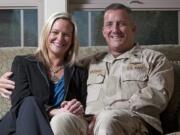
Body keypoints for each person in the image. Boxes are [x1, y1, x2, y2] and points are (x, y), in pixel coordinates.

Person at [0, 3, 174, 135]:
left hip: (131, 120)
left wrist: (99, 111)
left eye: (121, 24)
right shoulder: (89, 63)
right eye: (109, 24)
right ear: (104, 31)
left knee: (106, 118)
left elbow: (157, 97)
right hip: (76, 122)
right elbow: (22, 100)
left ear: (133, 28)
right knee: (61, 119)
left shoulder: (154, 59)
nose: (115, 29)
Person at [0, 12, 87, 135]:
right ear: (46, 34)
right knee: (30, 102)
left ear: (72, 40)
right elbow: (19, 102)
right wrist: (54, 111)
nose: (60, 38)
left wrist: (78, 107)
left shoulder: (79, 72)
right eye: (55, 32)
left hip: (55, 127)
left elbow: (83, 106)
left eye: (66, 34)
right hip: (17, 126)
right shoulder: (23, 63)